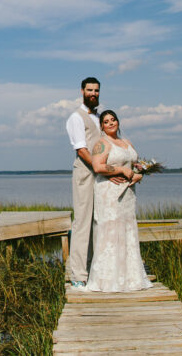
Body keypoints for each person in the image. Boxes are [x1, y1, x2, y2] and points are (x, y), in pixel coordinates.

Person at [82, 109, 153, 292]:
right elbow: (98, 167)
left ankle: (130, 278)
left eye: (113, 119)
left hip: (128, 194)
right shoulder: (101, 144)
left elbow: (135, 166)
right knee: (111, 231)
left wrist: (139, 175)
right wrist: (120, 171)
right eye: (106, 121)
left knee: (127, 229)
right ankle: (108, 279)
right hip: (109, 193)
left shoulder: (126, 142)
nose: (111, 123)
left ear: (118, 122)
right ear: (102, 126)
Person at [64, 77, 126, 287]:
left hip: (101, 176)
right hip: (85, 174)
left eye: (96, 90)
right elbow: (82, 150)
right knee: (82, 222)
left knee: (99, 221)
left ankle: (94, 269)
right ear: (82, 91)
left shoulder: (100, 116)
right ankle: (78, 275)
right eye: (89, 90)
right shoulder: (76, 117)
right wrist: (103, 170)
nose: (93, 93)